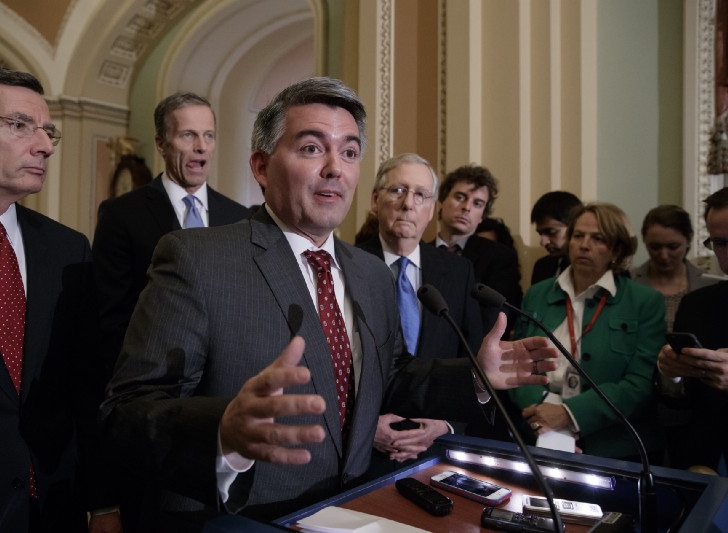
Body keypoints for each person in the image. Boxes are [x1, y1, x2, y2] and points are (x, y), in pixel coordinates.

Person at [100, 77, 558, 529]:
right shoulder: (198, 259)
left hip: (355, 510)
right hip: (240, 518)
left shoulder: (371, 274)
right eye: (312, 148)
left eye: (350, 152)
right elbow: (127, 410)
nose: (336, 168)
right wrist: (222, 432)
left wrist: (474, 376)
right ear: (261, 166)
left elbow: (390, 375)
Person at [0, 63, 119, 532]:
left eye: (48, 131)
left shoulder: (68, 249)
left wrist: (104, 502)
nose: (44, 145)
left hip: (52, 509)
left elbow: (86, 387)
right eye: (19, 125)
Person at [92, 92, 249, 373]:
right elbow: (111, 315)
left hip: (224, 377)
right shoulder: (121, 214)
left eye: (209, 136)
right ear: (161, 144)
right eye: (188, 135)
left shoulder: (239, 217)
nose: (201, 147)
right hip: (151, 375)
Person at [354, 153, 484, 471]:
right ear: (375, 200)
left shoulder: (458, 272)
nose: (408, 204)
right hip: (359, 449)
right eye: (398, 190)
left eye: (420, 195)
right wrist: (363, 427)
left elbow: (473, 360)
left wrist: (447, 425)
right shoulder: (346, 265)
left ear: (432, 208)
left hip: (437, 450)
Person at [509, 203, 666, 461]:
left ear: (617, 249)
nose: (584, 245)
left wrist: (570, 414)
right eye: (578, 236)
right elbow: (519, 365)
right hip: (538, 434)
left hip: (615, 446)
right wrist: (540, 414)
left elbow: (640, 385)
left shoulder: (644, 302)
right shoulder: (538, 294)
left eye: (598, 238)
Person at [657, 187, 728, 471]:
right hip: (704, 463)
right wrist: (671, 374)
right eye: (720, 242)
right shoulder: (696, 305)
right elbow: (681, 402)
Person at [434, 165, 522, 332]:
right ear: (441, 202)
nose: (467, 207)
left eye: (477, 203)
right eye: (460, 197)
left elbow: (493, 319)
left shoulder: (500, 257)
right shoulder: (418, 251)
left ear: (482, 216)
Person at [631, 205, 719, 332]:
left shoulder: (709, 285)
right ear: (645, 241)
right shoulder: (628, 282)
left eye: (673, 247)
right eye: (655, 247)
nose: (664, 255)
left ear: (688, 240)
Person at [530, 191, 582, 284]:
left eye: (551, 232)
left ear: (575, 226)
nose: (543, 242)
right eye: (540, 233)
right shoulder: (542, 267)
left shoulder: (593, 266)